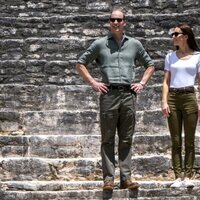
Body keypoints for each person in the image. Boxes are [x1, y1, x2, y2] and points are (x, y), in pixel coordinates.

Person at [76, 7, 155, 190]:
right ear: (109, 22)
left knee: (126, 138)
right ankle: (108, 179)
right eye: (113, 19)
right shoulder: (99, 44)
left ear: (125, 22)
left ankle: (126, 178)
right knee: (108, 138)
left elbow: (150, 64)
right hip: (108, 94)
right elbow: (81, 63)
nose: (116, 22)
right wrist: (93, 82)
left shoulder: (135, 44)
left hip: (128, 95)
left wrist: (142, 83)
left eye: (119, 20)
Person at [161, 23, 200, 188]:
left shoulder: (198, 56)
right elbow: (165, 81)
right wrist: (164, 101)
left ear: (185, 36)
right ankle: (178, 176)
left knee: (189, 140)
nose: (173, 37)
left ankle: (188, 176)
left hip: (190, 96)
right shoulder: (170, 56)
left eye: (175, 34)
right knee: (175, 140)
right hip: (174, 98)